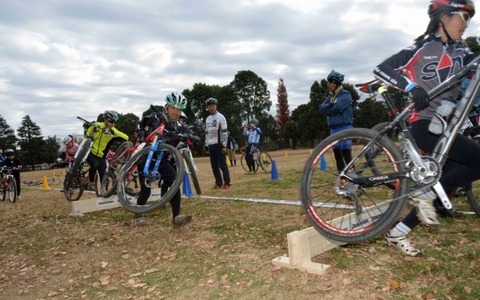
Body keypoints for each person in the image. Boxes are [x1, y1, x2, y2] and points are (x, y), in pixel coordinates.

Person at [373, 0, 479, 256]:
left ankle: (398, 233)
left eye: (469, 20)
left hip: (447, 125)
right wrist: (411, 87)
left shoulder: (461, 51)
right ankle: (425, 193)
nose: (466, 25)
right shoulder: (422, 46)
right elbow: (380, 69)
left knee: (446, 186)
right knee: (474, 163)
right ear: (443, 17)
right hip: (424, 123)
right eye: (462, 18)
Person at [135, 92, 199, 227]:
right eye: (173, 108)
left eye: (179, 109)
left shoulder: (179, 126)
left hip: (162, 160)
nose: (176, 112)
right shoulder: (157, 117)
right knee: (146, 187)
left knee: (175, 183)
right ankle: (139, 213)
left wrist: (190, 138)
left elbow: (194, 137)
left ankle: (176, 218)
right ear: (166, 106)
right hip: (147, 156)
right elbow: (141, 126)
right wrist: (141, 137)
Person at [318, 70, 354, 172]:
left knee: (346, 155)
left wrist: (328, 110)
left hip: (345, 127)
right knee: (337, 156)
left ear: (336, 83)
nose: (328, 84)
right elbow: (320, 108)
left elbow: (338, 108)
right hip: (333, 129)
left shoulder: (346, 94)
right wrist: (330, 105)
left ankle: (353, 178)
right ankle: (341, 179)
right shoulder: (330, 97)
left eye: (330, 82)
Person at [86, 111, 128, 191]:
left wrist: (113, 132)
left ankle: (104, 193)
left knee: (104, 177)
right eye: (111, 121)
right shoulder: (98, 125)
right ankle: (91, 183)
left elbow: (126, 137)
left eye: (114, 122)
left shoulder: (112, 130)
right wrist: (93, 129)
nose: (113, 124)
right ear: (105, 119)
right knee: (95, 165)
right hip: (91, 153)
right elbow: (88, 134)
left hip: (102, 156)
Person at [205, 98, 231, 189]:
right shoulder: (207, 119)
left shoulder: (221, 117)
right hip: (211, 145)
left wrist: (224, 145)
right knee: (214, 166)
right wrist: (206, 144)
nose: (211, 108)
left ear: (216, 106)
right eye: (210, 106)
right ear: (208, 107)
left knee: (223, 165)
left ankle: (227, 183)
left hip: (219, 144)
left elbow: (224, 132)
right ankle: (218, 183)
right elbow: (207, 132)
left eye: (213, 106)